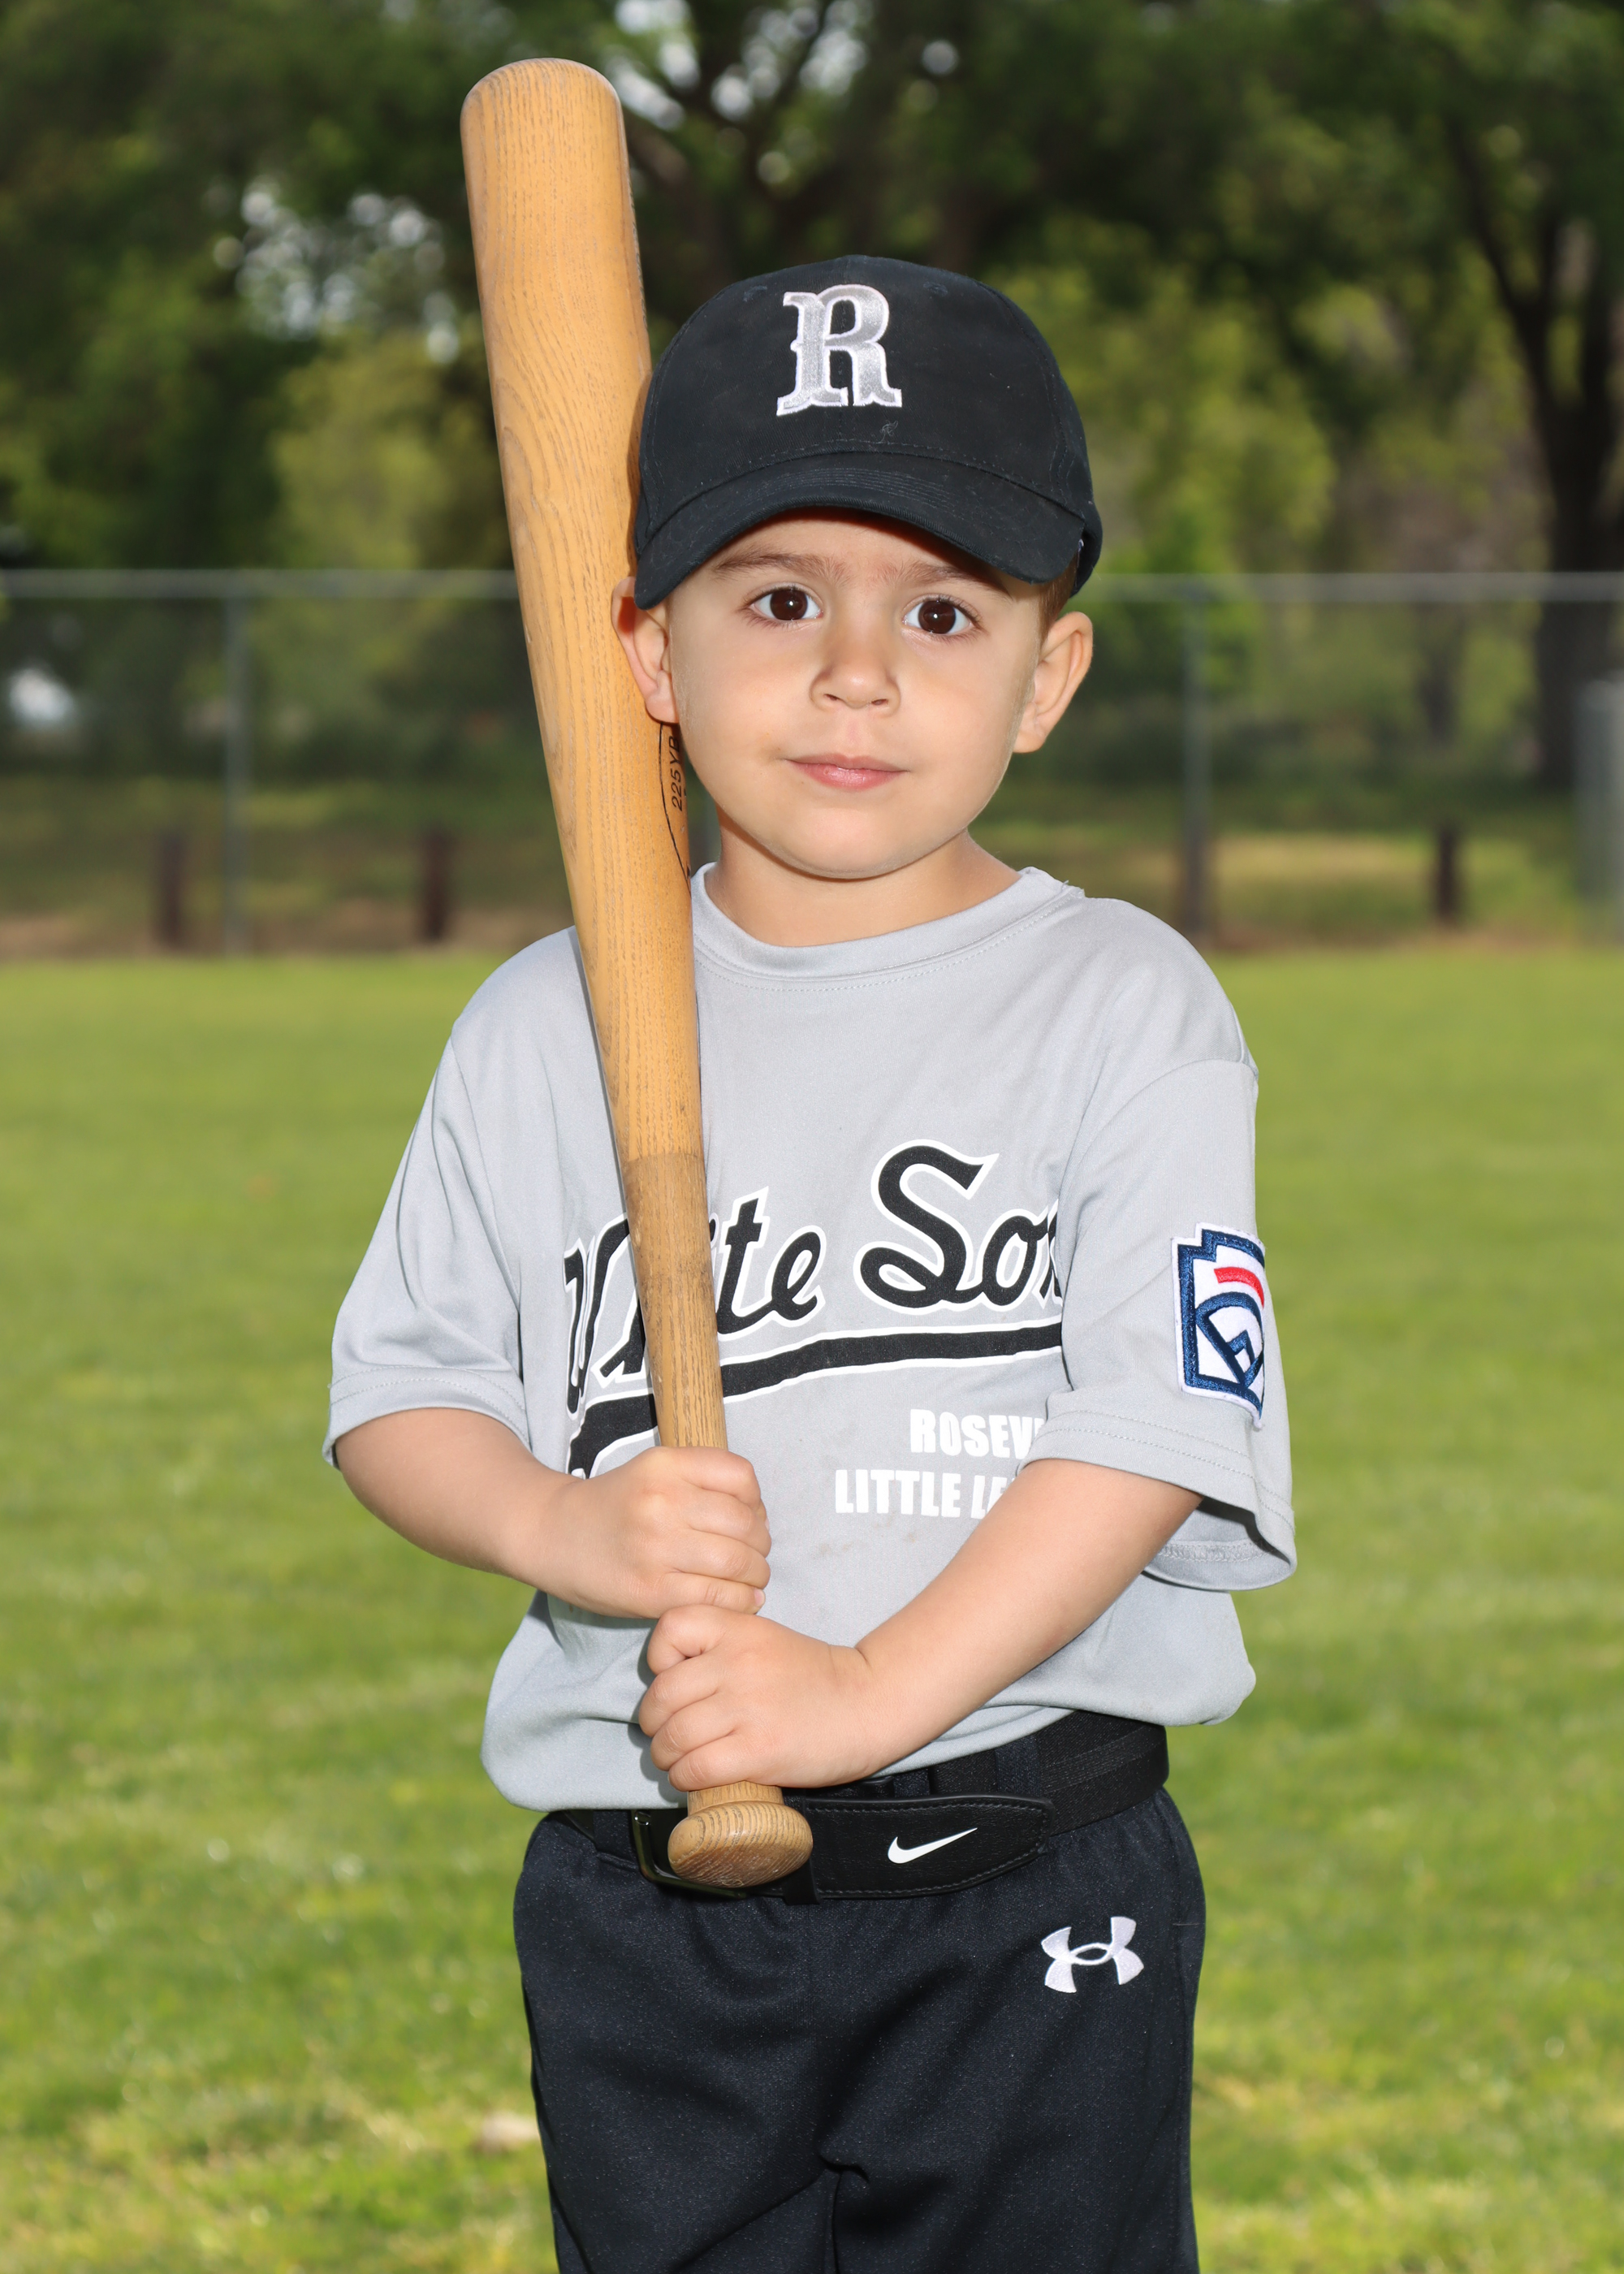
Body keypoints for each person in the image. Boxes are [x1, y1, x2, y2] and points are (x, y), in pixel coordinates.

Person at [326, 256, 1294, 2273]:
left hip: (1026, 1861)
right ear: (645, 650)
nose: (857, 673)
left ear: (1046, 676)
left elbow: (1150, 1430)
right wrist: (566, 1526)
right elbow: (400, 1392)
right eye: (778, 599)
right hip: (649, 1892)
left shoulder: (1122, 1002)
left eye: (940, 612)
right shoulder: (541, 1025)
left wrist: (862, 1688)